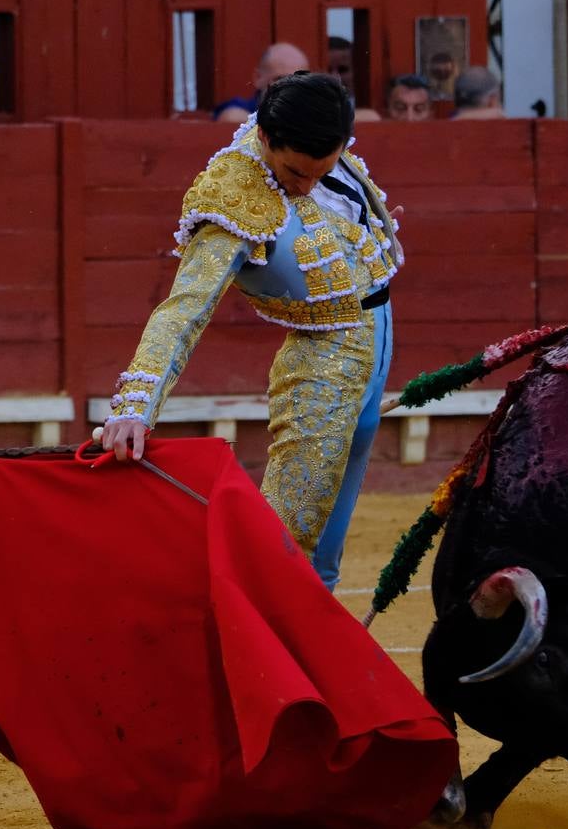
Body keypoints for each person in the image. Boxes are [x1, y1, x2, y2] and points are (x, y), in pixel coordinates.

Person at [102, 72, 403, 593]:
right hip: (321, 362)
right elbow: (184, 309)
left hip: (378, 334)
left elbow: (344, 213)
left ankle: (310, 655)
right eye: (295, 172)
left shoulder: (314, 140)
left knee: (328, 543)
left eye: (321, 171)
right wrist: (136, 406)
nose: (306, 184)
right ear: (264, 136)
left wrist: (376, 245)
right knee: (286, 535)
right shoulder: (231, 198)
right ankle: (253, 653)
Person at [213, 42, 309, 123]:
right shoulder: (242, 109)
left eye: (298, 81)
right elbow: (231, 117)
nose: (291, 88)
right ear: (258, 78)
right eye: (281, 79)